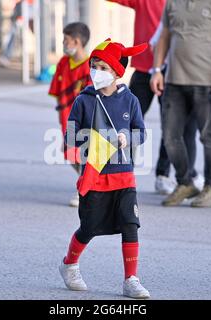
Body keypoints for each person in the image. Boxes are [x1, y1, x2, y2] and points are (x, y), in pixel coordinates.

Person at [59, 39, 150, 299]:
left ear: (116, 72)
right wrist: (89, 137)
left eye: (102, 67)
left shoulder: (130, 100)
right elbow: (70, 135)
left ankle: (131, 279)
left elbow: (140, 134)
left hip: (124, 175)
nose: (96, 71)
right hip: (95, 174)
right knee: (89, 227)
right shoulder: (84, 100)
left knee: (130, 223)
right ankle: (69, 264)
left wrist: (125, 138)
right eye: (93, 66)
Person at [107, 0, 201, 195]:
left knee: (172, 126)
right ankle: (123, 173)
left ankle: (163, 175)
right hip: (143, 71)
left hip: (172, 72)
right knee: (125, 121)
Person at [151, 0, 211, 208]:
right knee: (170, 136)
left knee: (208, 135)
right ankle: (185, 182)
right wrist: (157, 70)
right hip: (173, 82)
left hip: (204, 82)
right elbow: (164, 38)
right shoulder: (172, 3)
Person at [48, 22, 92, 207]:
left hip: (84, 121)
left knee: (83, 155)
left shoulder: (91, 67)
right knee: (69, 154)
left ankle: (84, 190)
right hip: (66, 120)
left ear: (76, 41)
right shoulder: (63, 63)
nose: (64, 43)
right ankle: (90, 182)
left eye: (66, 40)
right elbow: (57, 91)